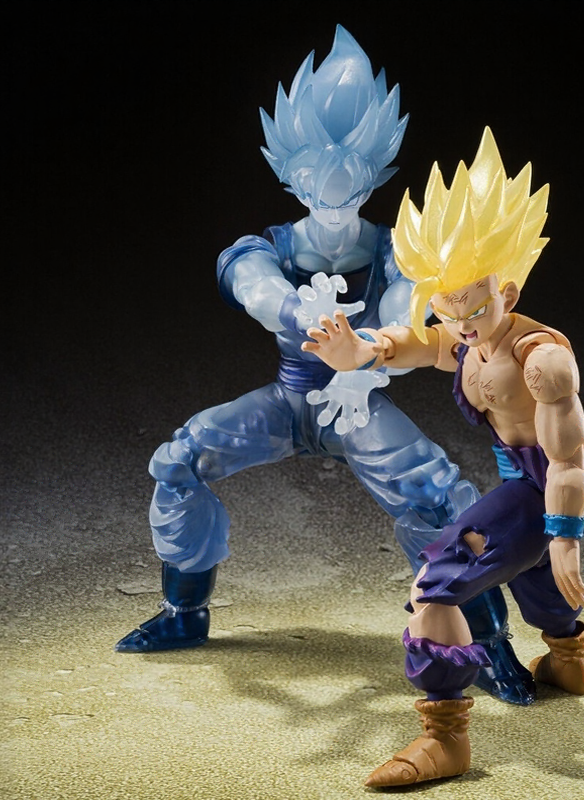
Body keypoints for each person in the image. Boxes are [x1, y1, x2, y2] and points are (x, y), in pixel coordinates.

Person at [115, 28, 533, 706]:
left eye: (349, 175)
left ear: (374, 173)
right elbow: (252, 284)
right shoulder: (267, 246)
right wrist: (297, 312)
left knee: (438, 499)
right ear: (291, 174)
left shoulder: (399, 252)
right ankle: (183, 612)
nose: (333, 192)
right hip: (290, 400)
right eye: (316, 176)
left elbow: (405, 312)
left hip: (359, 404)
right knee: (180, 461)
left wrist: (368, 354)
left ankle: (488, 642)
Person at [303, 125, 584, 786]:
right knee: (529, 575)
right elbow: (424, 344)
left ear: (508, 294)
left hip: (552, 490)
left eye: (473, 307)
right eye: (447, 306)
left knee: (436, 583)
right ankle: (568, 661)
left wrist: (565, 536)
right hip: (528, 490)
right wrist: (362, 351)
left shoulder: (540, 360)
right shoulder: (469, 335)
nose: (460, 323)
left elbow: (567, 460)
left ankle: (446, 740)